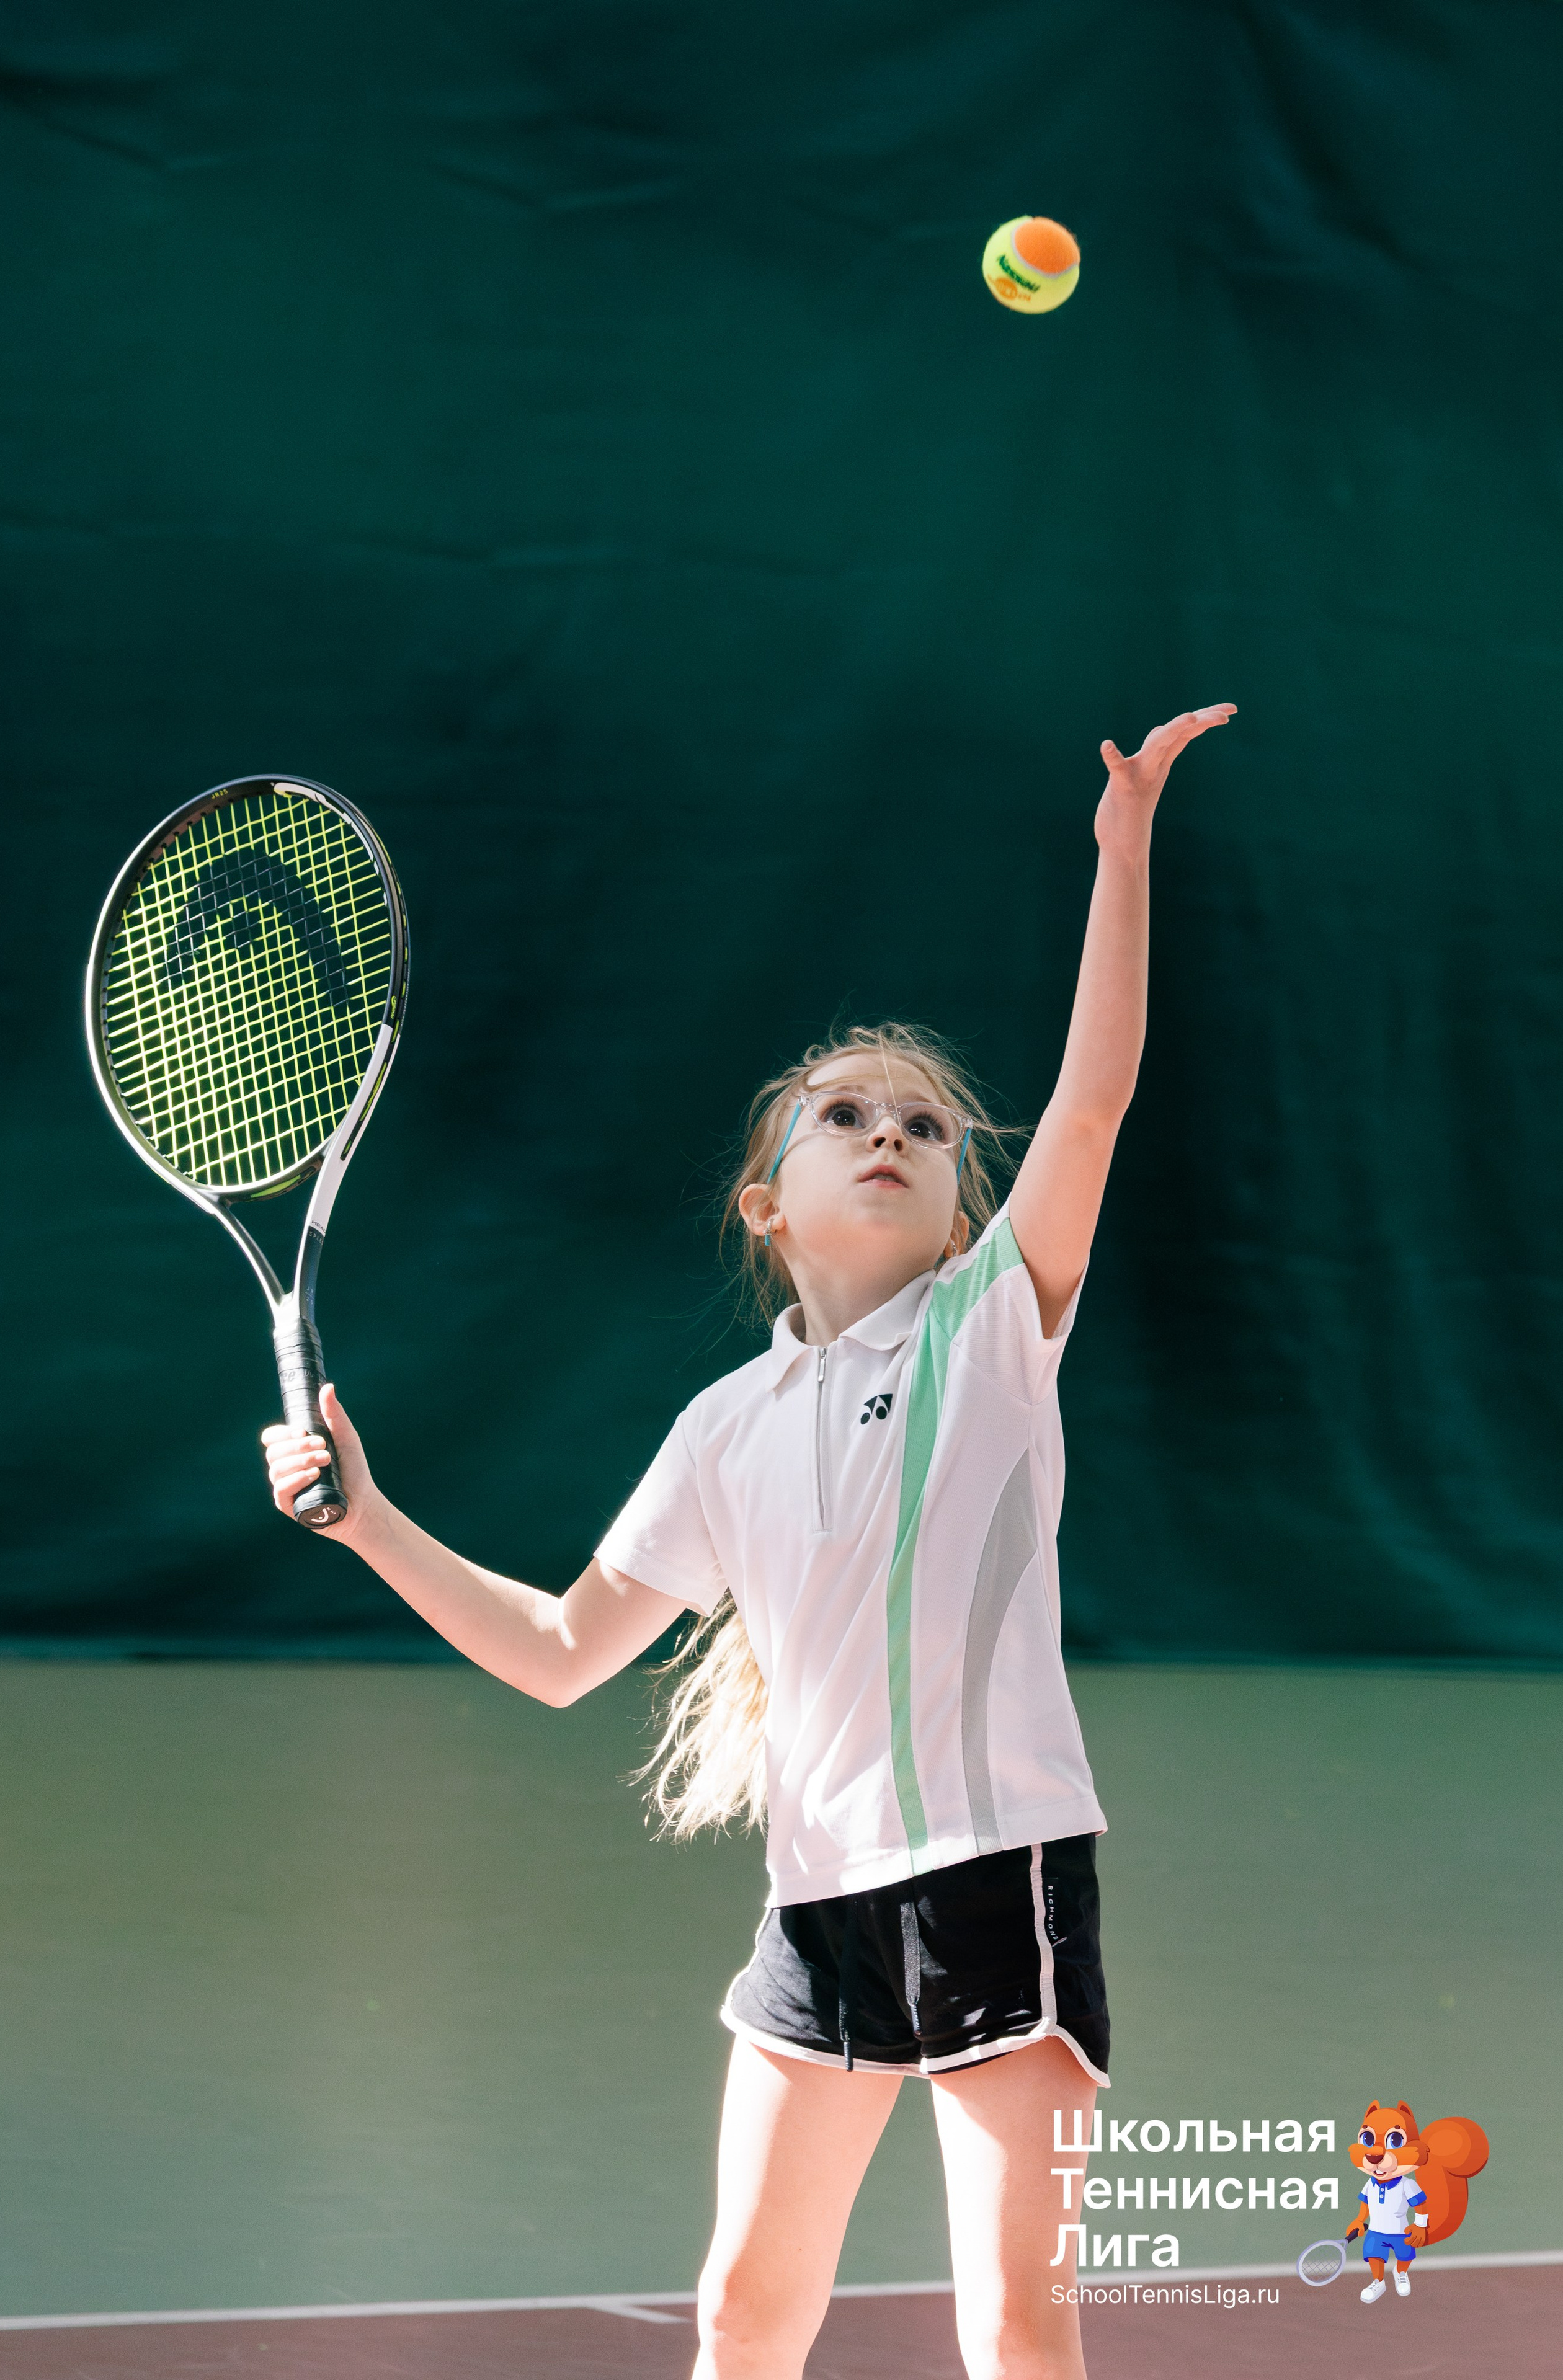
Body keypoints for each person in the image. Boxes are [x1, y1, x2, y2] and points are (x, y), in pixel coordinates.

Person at [262, 701, 1236, 2380]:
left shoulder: (991, 1329)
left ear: (968, 1206)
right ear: (768, 1205)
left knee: (1016, 2323)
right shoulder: (725, 1427)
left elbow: (1092, 1104)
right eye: (846, 1117)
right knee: (743, 2311)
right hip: (815, 1910)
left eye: (925, 1128)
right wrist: (371, 1523)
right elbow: (564, 1653)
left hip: (995, 1874)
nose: (890, 1134)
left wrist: (1125, 850)